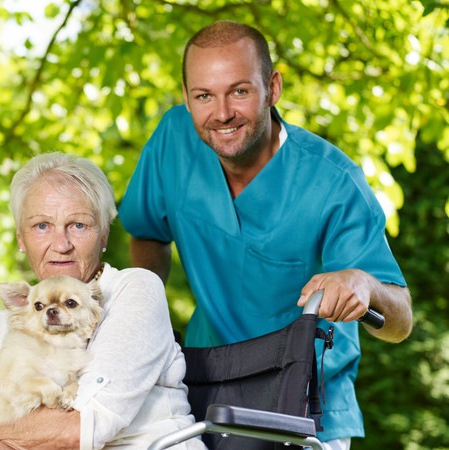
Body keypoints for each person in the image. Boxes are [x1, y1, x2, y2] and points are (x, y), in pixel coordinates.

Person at [118, 20, 413, 450]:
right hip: (204, 380)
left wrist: (363, 284)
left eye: (239, 91)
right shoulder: (172, 139)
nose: (221, 113)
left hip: (308, 405)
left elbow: (400, 322)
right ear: (186, 97)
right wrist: (145, 317)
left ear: (272, 87)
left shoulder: (333, 183)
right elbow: (146, 232)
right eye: (204, 95)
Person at [0, 152, 205, 450]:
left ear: (104, 233)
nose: (60, 244)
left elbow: (78, 428)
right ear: (21, 239)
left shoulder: (133, 290)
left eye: (78, 224)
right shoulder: (6, 322)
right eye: (41, 226)